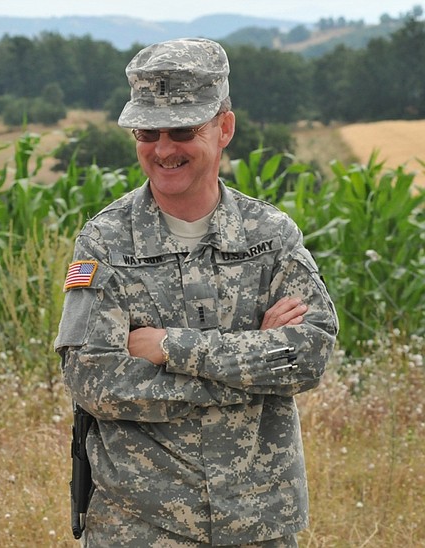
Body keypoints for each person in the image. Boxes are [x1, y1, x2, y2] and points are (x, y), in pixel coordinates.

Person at [55, 38, 338, 547]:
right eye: (147, 131)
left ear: (224, 127)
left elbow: (310, 355)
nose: (163, 149)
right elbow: (93, 381)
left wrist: (169, 348)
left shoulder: (269, 235)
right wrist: (252, 373)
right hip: (141, 524)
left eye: (183, 130)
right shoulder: (105, 241)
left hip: (258, 523)